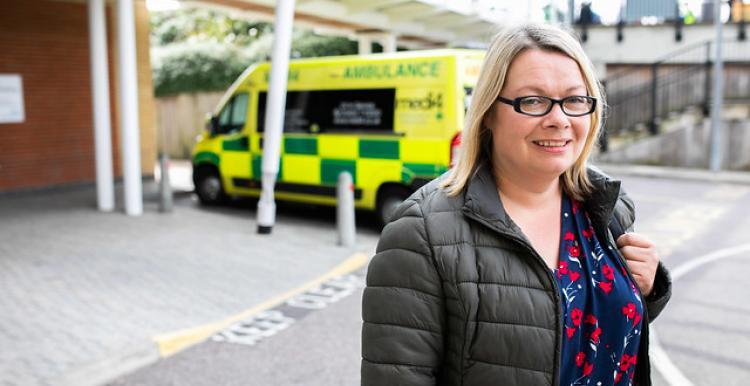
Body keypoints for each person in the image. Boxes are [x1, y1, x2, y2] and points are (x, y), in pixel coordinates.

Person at [361, 23, 672, 386]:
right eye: (534, 101)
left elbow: (593, 335)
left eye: (574, 100)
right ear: (489, 112)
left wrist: (648, 290)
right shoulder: (421, 232)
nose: (559, 119)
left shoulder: (607, 207)